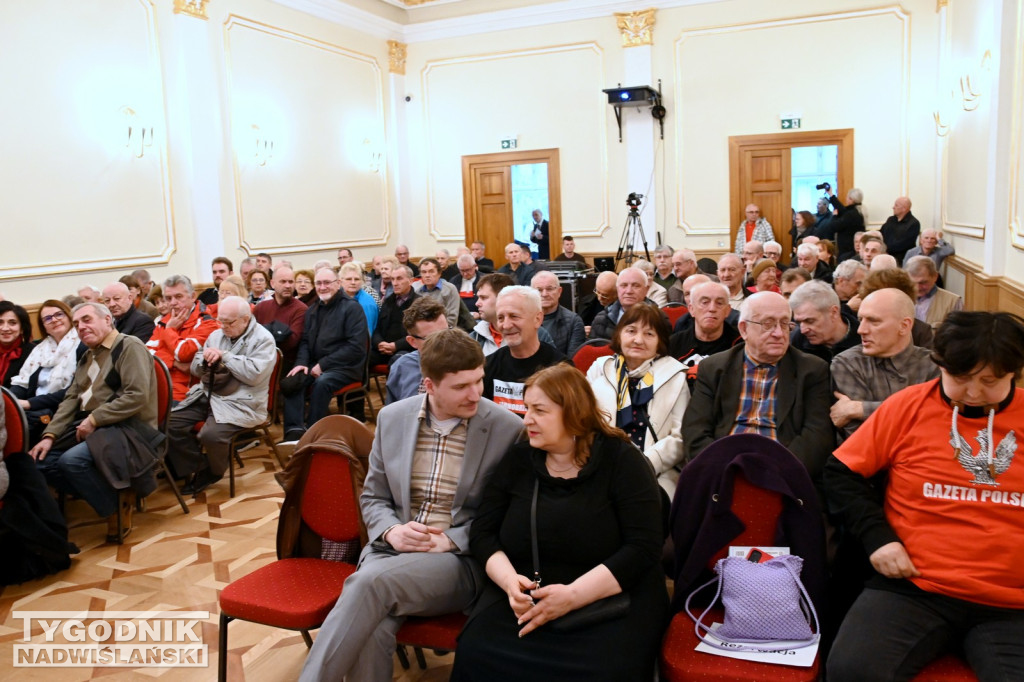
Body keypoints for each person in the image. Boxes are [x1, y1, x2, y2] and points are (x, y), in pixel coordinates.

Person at [298, 328, 523, 681]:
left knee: (366, 585)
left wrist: (450, 540)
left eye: (479, 380)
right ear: (430, 385)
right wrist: (391, 530)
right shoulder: (393, 418)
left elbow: (509, 515)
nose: (476, 393)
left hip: (456, 560)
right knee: (371, 627)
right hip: (391, 552)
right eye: (461, 386)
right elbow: (373, 496)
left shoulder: (507, 428)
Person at [824, 311, 1024, 681]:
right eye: (960, 379)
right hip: (916, 587)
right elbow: (841, 474)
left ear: (1013, 373)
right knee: (850, 671)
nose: (975, 393)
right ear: (941, 366)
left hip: (1011, 601)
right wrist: (878, 540)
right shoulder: (908, 406)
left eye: (990, 380)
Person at [450, 364, 667, 681]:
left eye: (539, 410)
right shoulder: (519, 460)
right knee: (478, 654)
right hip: (526, 599)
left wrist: (573, 596)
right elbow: (483, 533)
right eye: (527, 409)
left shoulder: (622, 461)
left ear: (574, 413)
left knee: (608, 670)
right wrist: (510, 583)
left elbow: (643, 549)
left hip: (608, 600)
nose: (527, 420)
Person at [30, 302, 159, 542]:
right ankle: (114, 495)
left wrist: (94, 419)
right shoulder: (88, 355)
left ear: (107, 320)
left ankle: (114, 509)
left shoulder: (129, 346)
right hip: (98, 426)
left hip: (130, 428)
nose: (81, 327)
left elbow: (137, 396)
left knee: (72, 461)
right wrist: (50, 436)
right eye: (77, 324)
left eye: (87, 320)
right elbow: (71, 398)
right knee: (40, 462)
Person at [682, 292, 834, 485]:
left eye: (785, 324)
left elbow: (816, 436)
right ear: (744, 329)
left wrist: (774, 474)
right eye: (768, 324)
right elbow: (695, 430)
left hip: (784, 474)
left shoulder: (812, 370)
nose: (779, 333)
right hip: (722, 471)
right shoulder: (714, 368)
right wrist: (725, 470)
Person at [165, 296, 277, 492]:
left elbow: (254, 375)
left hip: (242, 402)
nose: (223, 326)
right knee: (169, 423)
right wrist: (204, 361)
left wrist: (225, 356)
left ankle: (215, 471)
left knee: (210, 435)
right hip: (209, 395)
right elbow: (194, 366)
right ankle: (200, 466)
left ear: (245, 318)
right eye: (220, 320)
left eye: (229, 322)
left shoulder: (264, 339)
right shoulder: (217, 335)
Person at [587, 304, 688, 496]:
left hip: (655, 471)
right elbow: (582, 418)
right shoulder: (601, 368)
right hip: (600, 465)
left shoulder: (674, 375)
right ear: (619, 335)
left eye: (649, 334)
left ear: (660, 341)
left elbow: (680, 437)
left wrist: (643, 465)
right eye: (631, 331)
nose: (638, 340)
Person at [830, 288, 938, 440]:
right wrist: (913, 413)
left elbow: (935, 424)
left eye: (873, 321)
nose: (861, 330)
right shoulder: (847, 363)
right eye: (860, 320)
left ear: (904, 326)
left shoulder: (932, 365)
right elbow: (862, 440)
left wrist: (860, 409)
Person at [281, 267, 368, 440]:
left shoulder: (352, 309)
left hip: (346, 367)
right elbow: (305, 341)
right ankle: (294, 433)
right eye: (319, 283)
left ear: (338, 284)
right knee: (292, 380)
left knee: (322, 383)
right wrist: (302, 364)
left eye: (327, 283)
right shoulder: (313, 309)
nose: (322, 287)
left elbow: (356, 347)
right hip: (316, 363)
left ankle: (314, 434)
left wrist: (324, 364)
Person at [483, 286, 566, 415]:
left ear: (538, 319)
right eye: (500, 318)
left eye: (514, 316)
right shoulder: (488, 366)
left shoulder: (561, 369)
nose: (506, 325)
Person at [9, 300, 83, 444]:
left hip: (63, 410)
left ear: (69, 316)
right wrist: (10, 401)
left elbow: (75, 391)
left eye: (59, 314)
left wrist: (29, 403)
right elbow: (22, 383)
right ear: (44, 327)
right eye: (47, 319)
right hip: (35, 410)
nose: (54, 320)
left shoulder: (82, 345)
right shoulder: (39, 349)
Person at [146, 275, 220, 402]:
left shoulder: (207, 322)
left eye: (178, 297)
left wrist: (169, 331)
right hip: (158, 392)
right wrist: (174, 363)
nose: (173, 302)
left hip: (188, 397)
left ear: (193, 296)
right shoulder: (164, 322)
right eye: (168, 298)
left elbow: (183, 353)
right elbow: (146, 355)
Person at [669, 281, 740, 388]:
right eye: (705, 302)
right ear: (691, 309)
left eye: (719, 303)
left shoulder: (740, 346)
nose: (712, 309)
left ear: (727, 311)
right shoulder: (673, 344)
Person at [384, 298, 450, 404]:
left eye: (445, 333)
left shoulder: (466, 364)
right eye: (431, 338)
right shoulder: (401, 367)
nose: (443, 342)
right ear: (412, 342)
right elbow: (392, 412)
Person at [789, 280, 861, 362]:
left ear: (834, 312)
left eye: (810, 321)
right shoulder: (797, 342)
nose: (803, 330)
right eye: (798, 322)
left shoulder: (864, 340)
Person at [253, 265, 306, 374]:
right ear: (272, 284)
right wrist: (278, 334)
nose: (287, 285)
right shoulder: (261, 307)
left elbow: (291, 342)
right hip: (259, 360)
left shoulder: (301, 309)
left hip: (285, 364)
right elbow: (251, 337)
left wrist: (265, 333)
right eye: (283, 281)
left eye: (291, 282)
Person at [370, 265, 419, 367]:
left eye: (399, 279)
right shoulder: (388, 301)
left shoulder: (419, 303)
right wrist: (379, 343)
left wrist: (396, 346)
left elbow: (419, 334)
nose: (395, 283)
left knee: (398, 360)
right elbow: (377, 328)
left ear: (411, 281)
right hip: (384, 349)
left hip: (407, 350)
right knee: (360, 357)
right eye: (393, 279)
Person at [531, 271, 585, 358]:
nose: (544, 294)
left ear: (559, 291)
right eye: (539, 290)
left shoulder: (574, 322)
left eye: (549, 289)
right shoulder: (524, 320)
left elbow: (572, 361)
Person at [906, 255, 963, 330]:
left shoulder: (953, 302)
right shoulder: (900, 298)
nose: (917, 288)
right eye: (913, 283)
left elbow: (959, 336)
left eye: (923, 282)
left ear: (935, 276)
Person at [413, 257, 462, 328]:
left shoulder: (450, 289)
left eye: (431, 271)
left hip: (444, 333)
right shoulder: (418, 292)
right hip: (423, 333)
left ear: (439, 273)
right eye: (424, 272)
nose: (427, 275)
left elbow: (452, 320)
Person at [0, 302, 36, 389]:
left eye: (12, 323)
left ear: (22, 329)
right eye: (0, 322)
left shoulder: (34, 353)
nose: (5, 328)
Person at [825, 186, 866, 261]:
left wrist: (834, 216)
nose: (846, 199)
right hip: (851, 248)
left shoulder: (851, 214)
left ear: (851, 199)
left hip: (847, 250)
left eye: (847, 197)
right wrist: (831, 195)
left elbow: (834, 227)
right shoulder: (858, 211)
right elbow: (842, 209)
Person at [340, 261, 378, 337]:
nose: (353, 282)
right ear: (340, 281)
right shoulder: (336, 297)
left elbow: (367, 335)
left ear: (361, 281)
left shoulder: (367, 303)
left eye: (357, 279)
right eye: (349, 279)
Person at [880, 197, 920, 266]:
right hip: (885, 255)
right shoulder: (890, 219)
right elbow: (881, 234)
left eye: (896, 205)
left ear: (904, 208)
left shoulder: (914, 223)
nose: (893, 207)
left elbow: (903, 244)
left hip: (902, 260)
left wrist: (885, 250)